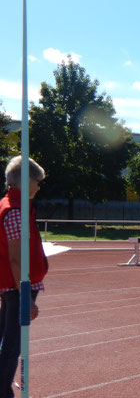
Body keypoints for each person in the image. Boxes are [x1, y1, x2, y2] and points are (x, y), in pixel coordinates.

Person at [0, 156, 48, 398]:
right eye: (36, 182)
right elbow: (16, 258)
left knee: (7, 341)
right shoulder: (15, 211)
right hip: (18, 286)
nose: (39, 187)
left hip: (14, 285)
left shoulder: (13, 206)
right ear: (25, 182)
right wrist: (25, 296)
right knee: (11, 346)